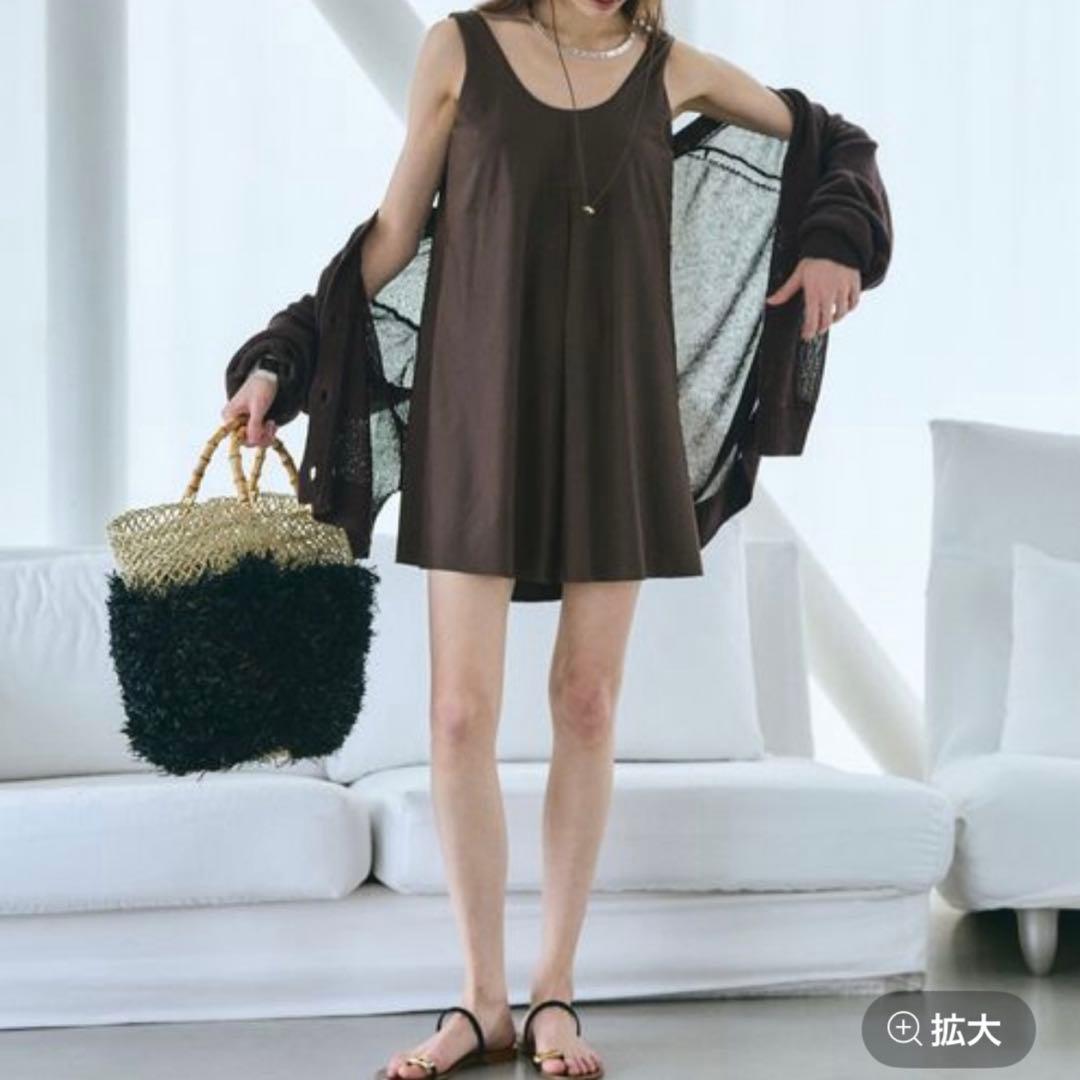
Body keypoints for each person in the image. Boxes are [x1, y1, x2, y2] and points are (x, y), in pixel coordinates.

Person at [222, 2, 866, 1077]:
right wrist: (282, 358)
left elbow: (826, 140)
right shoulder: (460, 49)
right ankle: (482, 1003)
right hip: (476, 410)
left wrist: (835, 239)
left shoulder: (670, 67)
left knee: (588, 701)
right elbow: (392, 237)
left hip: (615, 414)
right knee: (458, 711)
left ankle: (555, 991)